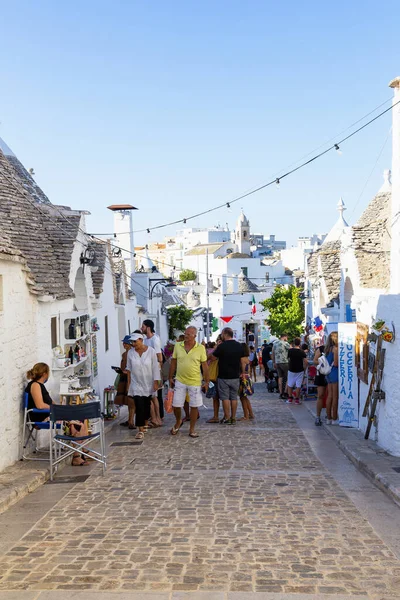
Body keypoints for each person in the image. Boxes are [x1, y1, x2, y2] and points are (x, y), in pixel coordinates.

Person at [25, 363, 91, 466]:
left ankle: (83, 451)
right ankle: (78, 456)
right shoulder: (35, 385)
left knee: (80, 418)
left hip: (51, 414)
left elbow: (51, 403)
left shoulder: (41, 386)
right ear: (44, 374)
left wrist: (62, 408)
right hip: (42, 417)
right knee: (76, 424)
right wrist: (55, 409)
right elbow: (40, 405)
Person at [169, 326, 209, 438]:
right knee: (176, 405)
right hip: (180, 380)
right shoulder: (178, 346)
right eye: (185, 333)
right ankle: (178, 422)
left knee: (194, 406)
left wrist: (206, 381)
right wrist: (170, 376)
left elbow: (204, 365)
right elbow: (173, 362)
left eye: (189, 334)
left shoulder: (200, 348)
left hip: (195, 381)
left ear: (194, 336)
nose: (186, 336)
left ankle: (192, 429)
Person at [125, 332, 160, 440]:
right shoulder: (130, 353)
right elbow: (129, 370)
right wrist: (128, 384)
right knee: (139, 405)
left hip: (148, 383)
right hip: (136, 384)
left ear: (141, 340)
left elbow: (155, 367)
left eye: (135, 341)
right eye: (132, 342)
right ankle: (140, 430)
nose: (133, 343)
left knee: (145, 406)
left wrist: (156, 382)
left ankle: (145, 422)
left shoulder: (151, 351)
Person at [211, 327, 247, 425]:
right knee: (234, 397)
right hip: (235, 375)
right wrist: (243, 373)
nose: (221, 336)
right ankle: (233, 417)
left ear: (225, 334)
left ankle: (227, 417)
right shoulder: (239, 345)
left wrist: (216, 347)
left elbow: (213, 358)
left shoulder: (222, 346)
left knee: (225, 398)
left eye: (222, 334)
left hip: (223, 375)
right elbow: (243, 361)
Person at [141, 319, 164, 424]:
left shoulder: (155, 339)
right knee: (152, 396)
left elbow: (160, 357)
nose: (142, 328)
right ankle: (154, 417)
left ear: (148, 327)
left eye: (143, 326)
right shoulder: (145, 340)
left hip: (154, 371)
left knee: (154, 396)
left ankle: (158, 417)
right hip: (146, 371)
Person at [115, 335, 136, 429]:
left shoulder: (133, 354)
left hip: (130, 378)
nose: (124, 345)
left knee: (131, 401)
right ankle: (129, 420)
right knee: (127, 401)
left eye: (126, 343)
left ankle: (131, 420)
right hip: (124, 378)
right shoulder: (124, 354)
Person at [287, 337, 308, 404]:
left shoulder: (290, 351)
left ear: (293, 343)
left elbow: (288, 359)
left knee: (290, 384)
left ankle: (290, 398)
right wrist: (304, 368)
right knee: (298, 385)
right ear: (300, 343)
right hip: (300, 369)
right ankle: (297, 399)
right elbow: (306, 361)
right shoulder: (302, 352)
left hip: (291, 369)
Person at [325, 332, 339, 425]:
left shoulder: (327, 349)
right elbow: (336, 363)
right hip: (334, 372)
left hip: (328, 373)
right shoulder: (335, 349)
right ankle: (334, 418)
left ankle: (328, 417)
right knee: (335, 396)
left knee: (329, 396)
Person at [238, 343, 255, 420]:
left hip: (243, 379)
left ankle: (246, 415)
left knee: (242, 397)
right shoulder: (247, 359)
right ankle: (250, 413)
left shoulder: (241, 359)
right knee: (245, 397)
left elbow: (242, 370)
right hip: (247, 378)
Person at [272, 334, 290, 399]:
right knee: (288, 377)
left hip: (277, 362)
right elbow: (291, 350)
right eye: (287, 337)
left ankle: (280, 393)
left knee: (280, 377)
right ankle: (285, 392)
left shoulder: (275, 343)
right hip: (285, 362)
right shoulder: (286, 343)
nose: (287, 339)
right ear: (284, 337)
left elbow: (273, 353)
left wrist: (274, 362)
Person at [313, 342, 327, 426]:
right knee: (320, 395)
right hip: (321, 374)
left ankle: (330, 415)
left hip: (332, 374)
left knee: (332, 395)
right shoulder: (321, 349)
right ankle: (318, 416)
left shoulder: (336, 349)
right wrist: (323, 363)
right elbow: (315, 360)